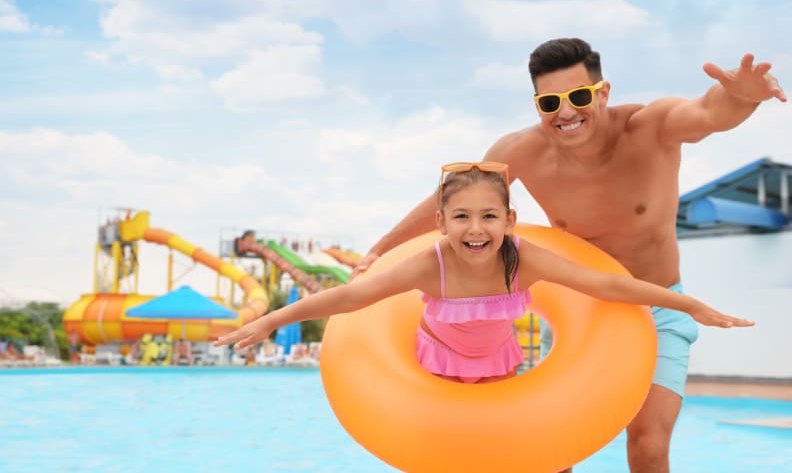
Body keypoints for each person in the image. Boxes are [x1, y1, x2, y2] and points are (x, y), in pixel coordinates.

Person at [352, 39, 785, 472]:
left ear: (603, 92)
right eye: (549, 102)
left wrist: (740, 98)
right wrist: (377, 251)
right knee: (555, 452)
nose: (565, 113)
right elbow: (451, 204)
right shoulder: (518, 152)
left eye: (579, 97)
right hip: (582, 309)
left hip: (657, 304)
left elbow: (708, 112)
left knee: (649, 445)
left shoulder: (649, 127)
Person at [216, 164, 753, 387]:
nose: (476, 229)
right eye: (462, 217)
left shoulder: (523, 258)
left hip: (498, 361)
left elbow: (605, 285)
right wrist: (272, 319)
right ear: (441, 224)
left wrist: (688, 304)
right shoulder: (431, 264)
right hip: (436, 364)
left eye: (489, 216)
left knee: (519, 446)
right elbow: (353, 296)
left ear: (509, 221)